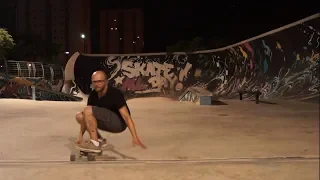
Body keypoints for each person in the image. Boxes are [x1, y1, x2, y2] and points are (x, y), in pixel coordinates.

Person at [75, 70, 146, 153]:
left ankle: (95, 144)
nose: (97, 84)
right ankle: (99, 140)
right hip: (106, 121)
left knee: (87, 110)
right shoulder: (93, 95)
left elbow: (126, 117)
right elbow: (87, 118)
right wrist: (80, 136)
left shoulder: (115, 94)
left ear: (106, 82)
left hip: (119, 123)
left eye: (100, 81)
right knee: (80, 116)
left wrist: (135, 137)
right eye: (94, 82)